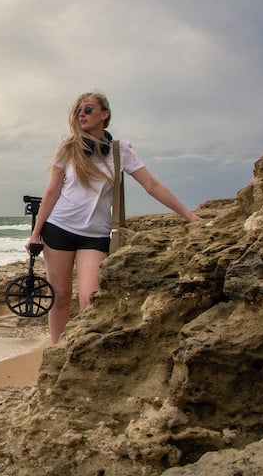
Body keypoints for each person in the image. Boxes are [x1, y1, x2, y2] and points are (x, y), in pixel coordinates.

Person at [27, 91, 201, 343]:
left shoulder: (121, 151)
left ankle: (79, 349)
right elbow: (52, 191)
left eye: (87, 109)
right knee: (61, 295)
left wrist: (189, 216)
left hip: (94, 235)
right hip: (59, 228)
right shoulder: (67, 147)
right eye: (77, 111)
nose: (81, 115)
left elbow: (151, 185)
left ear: (104, 114)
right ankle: (56, 354)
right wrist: (35, 234)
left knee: (89, 298)